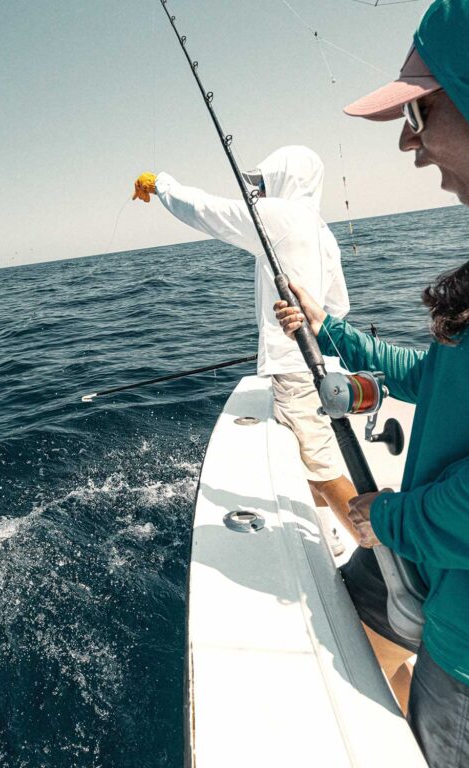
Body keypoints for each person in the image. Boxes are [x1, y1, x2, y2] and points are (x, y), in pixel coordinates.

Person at [275, 1, 469, 763]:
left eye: (421, 117)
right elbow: (446, 379)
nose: (413, 150)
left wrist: (393, 519)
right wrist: (329, 331)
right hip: (464, 605)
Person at [132, 146, 357, 553]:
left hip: (296, 367)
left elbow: (203, 210)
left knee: (322, 468)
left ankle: (382, 556)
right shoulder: (322, 230)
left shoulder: (279, 217)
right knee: (314, 454)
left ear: (287, 180)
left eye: (264, 182)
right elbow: (338, 308)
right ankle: (332, 533)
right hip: (327, 362)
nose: (258, 192)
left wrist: (161, 184)